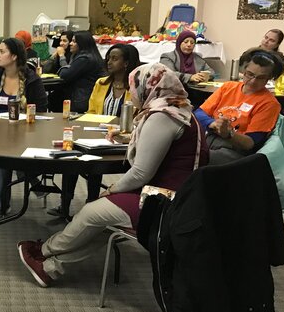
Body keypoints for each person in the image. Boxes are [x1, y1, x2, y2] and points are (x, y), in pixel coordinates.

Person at [18, 63, 208, 287]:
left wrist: (111, 190)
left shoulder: (163, 116)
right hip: (180, 196)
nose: (132, 95)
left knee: (93, 211)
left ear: (148, 87)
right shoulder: (178, 107)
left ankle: (44, 250)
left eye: (133, 89)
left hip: (165, 202)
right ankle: (50, 267)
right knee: (104, 220)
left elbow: (140, 173)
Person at [49, 43, 141, 219]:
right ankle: (65, 206)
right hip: (96, 134)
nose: (109, 62)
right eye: (108, 58)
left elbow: (136, 118)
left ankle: (91, 206)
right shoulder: (101, 83)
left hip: (121, 139)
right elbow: (91, 112)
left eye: (115, 58)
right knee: (72, 158)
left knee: (94, 166)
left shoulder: (136, 88)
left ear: (126, 63)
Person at [0, 37, 48, 219]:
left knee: (8, 153)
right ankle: (28, 179)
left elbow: (41, 110)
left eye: (1, 51)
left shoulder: (31, 79)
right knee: (5, 152)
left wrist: (19, 120)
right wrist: (2, 119)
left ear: (14, 56)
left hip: (25, 132)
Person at [195, 50, 282, 165]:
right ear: (243, 71)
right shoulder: (228, 87)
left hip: (235, 151)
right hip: (209, 140)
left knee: (190, 159)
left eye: (261, 78)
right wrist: (213, 124)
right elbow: (199, 113)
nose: (253, 81)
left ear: (268, 78)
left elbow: (250, 143)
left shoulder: (269, 103)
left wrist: (228, 134)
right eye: (250, 74)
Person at [57, 31, 104, 113]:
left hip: (82, 100)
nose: (71, 43)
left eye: (74, 41)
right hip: (84, 97)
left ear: (82, 43)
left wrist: (61, 56)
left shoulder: (85, 59)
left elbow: (65, 75)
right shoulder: (84, 55)